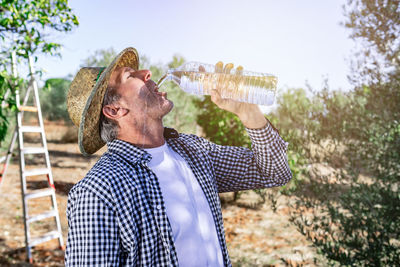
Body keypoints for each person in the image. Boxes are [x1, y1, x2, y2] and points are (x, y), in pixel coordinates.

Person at [65, 47, 292, 266]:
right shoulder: (98, 192)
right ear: (115, 110)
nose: (147, 73)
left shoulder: (194, 152)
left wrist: (248, 111)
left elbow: (274, 172)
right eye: (129, 76)